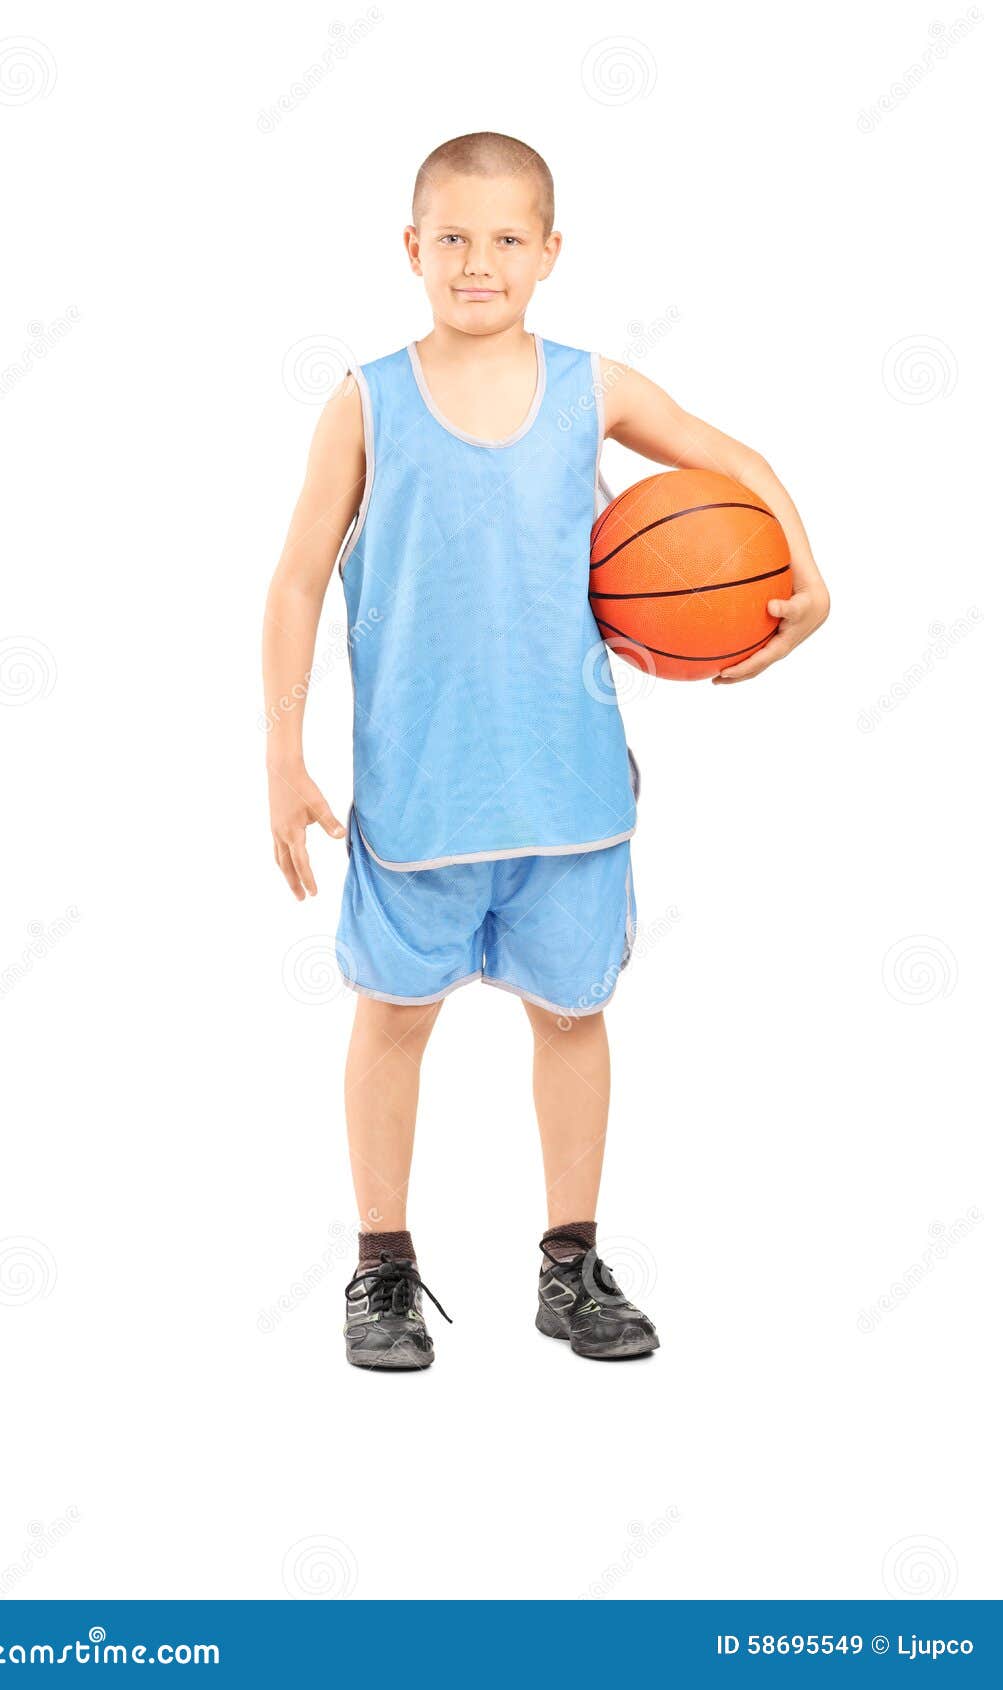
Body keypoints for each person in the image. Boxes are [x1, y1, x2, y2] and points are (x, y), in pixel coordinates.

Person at [262, 132, 830, 1370]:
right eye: (452, 238)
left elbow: (734, 462)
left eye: (506, 237)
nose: (479, 261)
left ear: (549, 253)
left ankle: (569, 1262)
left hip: (570, 798)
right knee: (390, 1021)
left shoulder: (593, 387)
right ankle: (381, 1271)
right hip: (418, 799)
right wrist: (280, 753)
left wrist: (809, 575)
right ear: (411, 251)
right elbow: (299, 579)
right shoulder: (367, 398)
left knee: (572, 1021)